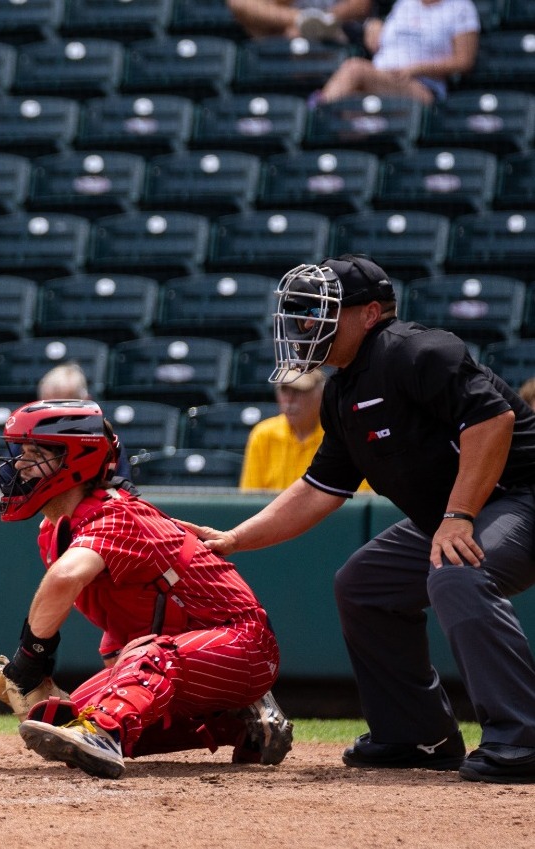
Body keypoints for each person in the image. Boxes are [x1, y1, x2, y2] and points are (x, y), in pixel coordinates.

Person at [183, 255, 535, 784]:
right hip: (458, 513)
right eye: (300, 314)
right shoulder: (343, 391)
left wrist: (459, 515)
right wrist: (234, 538)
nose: (305, 325)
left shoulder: (418, 350)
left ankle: (522, 740)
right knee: (364, 584)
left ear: (370, 313)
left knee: (460, 572)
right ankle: (416, 733)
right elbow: (317, 491)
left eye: (319, 312)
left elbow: (493, 419)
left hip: (518, 498)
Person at [0, 400, 293, 779]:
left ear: (75, 460)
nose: (18, 464)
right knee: (65, 722)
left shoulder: (117, 514)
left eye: (35, 453)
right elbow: (123, 624)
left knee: (126, 691)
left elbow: (64, 580)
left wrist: (30, 661)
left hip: (244, 644)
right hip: (179, 652)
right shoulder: (54, 531)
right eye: (20, 452)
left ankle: (105, 735)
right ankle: (244, 724)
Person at [314, 0, 480, 106]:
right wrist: (374, 26)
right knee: (348, 103)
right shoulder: (405, 4)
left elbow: (464, 61)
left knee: (354, 68)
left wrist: (416, 69)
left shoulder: (461, 7)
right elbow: (381, 43)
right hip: (381, 77)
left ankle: (316, 112)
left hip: (422, 86)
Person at [239, 367, 329, 491]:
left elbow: (357, 499)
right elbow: (249, 498)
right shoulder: (263, 435)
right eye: (284, 390)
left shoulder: (337, 436)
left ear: (321, 395)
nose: (289, 400)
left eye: (299, 391)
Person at [227, 0, 371, 40]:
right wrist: (300, 20)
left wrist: (328, 18)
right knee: (238, 2)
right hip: (288, 25)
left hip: (339, 27)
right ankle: (303, 19)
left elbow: (361, 5)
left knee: (295, 34)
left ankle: (311, 22)